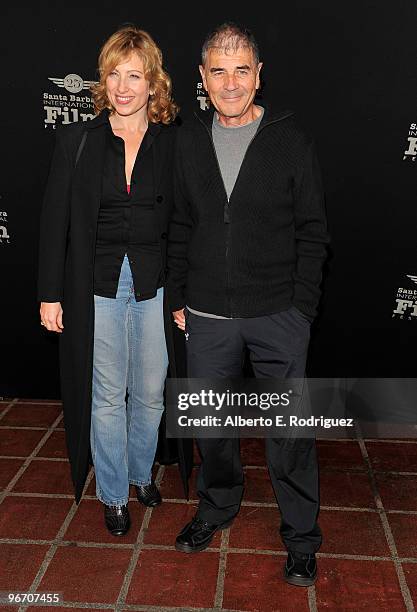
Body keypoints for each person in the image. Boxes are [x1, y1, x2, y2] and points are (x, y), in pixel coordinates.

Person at [167, 22, 329, 585]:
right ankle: (215, 508)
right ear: (202, 79)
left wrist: (301, 310)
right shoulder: (188, 140)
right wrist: (181, 294)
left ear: (259, 75)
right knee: (211, 428)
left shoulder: (290, 139)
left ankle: (302, 538)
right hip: (208, 314)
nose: (230, 83)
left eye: (241, 70)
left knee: (288, 434)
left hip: (278, 314)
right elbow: (181, 224)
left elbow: (313, 231)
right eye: (218, 70)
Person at [38, 26, 179, 536]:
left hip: (153, 285)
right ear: (103, 80)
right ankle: (115, 493)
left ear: (152, 83)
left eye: (134, 75)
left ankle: (142, 473)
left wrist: (183, 293)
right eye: (115, 74)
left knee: (149, 394)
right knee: (105, 395)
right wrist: (50, 294)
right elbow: (55, 222)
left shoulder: (172, 142)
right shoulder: (77, 139)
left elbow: (185, 224)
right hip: (94, 285)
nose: (123, 86)